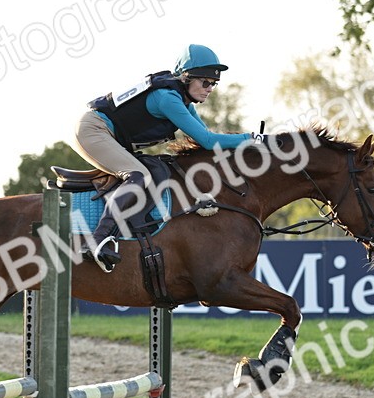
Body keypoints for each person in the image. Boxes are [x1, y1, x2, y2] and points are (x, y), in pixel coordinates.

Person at [72, 43, 255, 272]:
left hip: (108, 134)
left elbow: (206, 140)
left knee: (159, 169)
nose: (210, 88)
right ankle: (97, 240)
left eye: (214, 84)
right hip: (94, 129)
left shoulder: (183, 102)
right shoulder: (167, 98)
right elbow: (208, 141)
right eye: (205, 82)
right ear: (186, 78)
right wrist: (253, 138)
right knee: (138, 175)